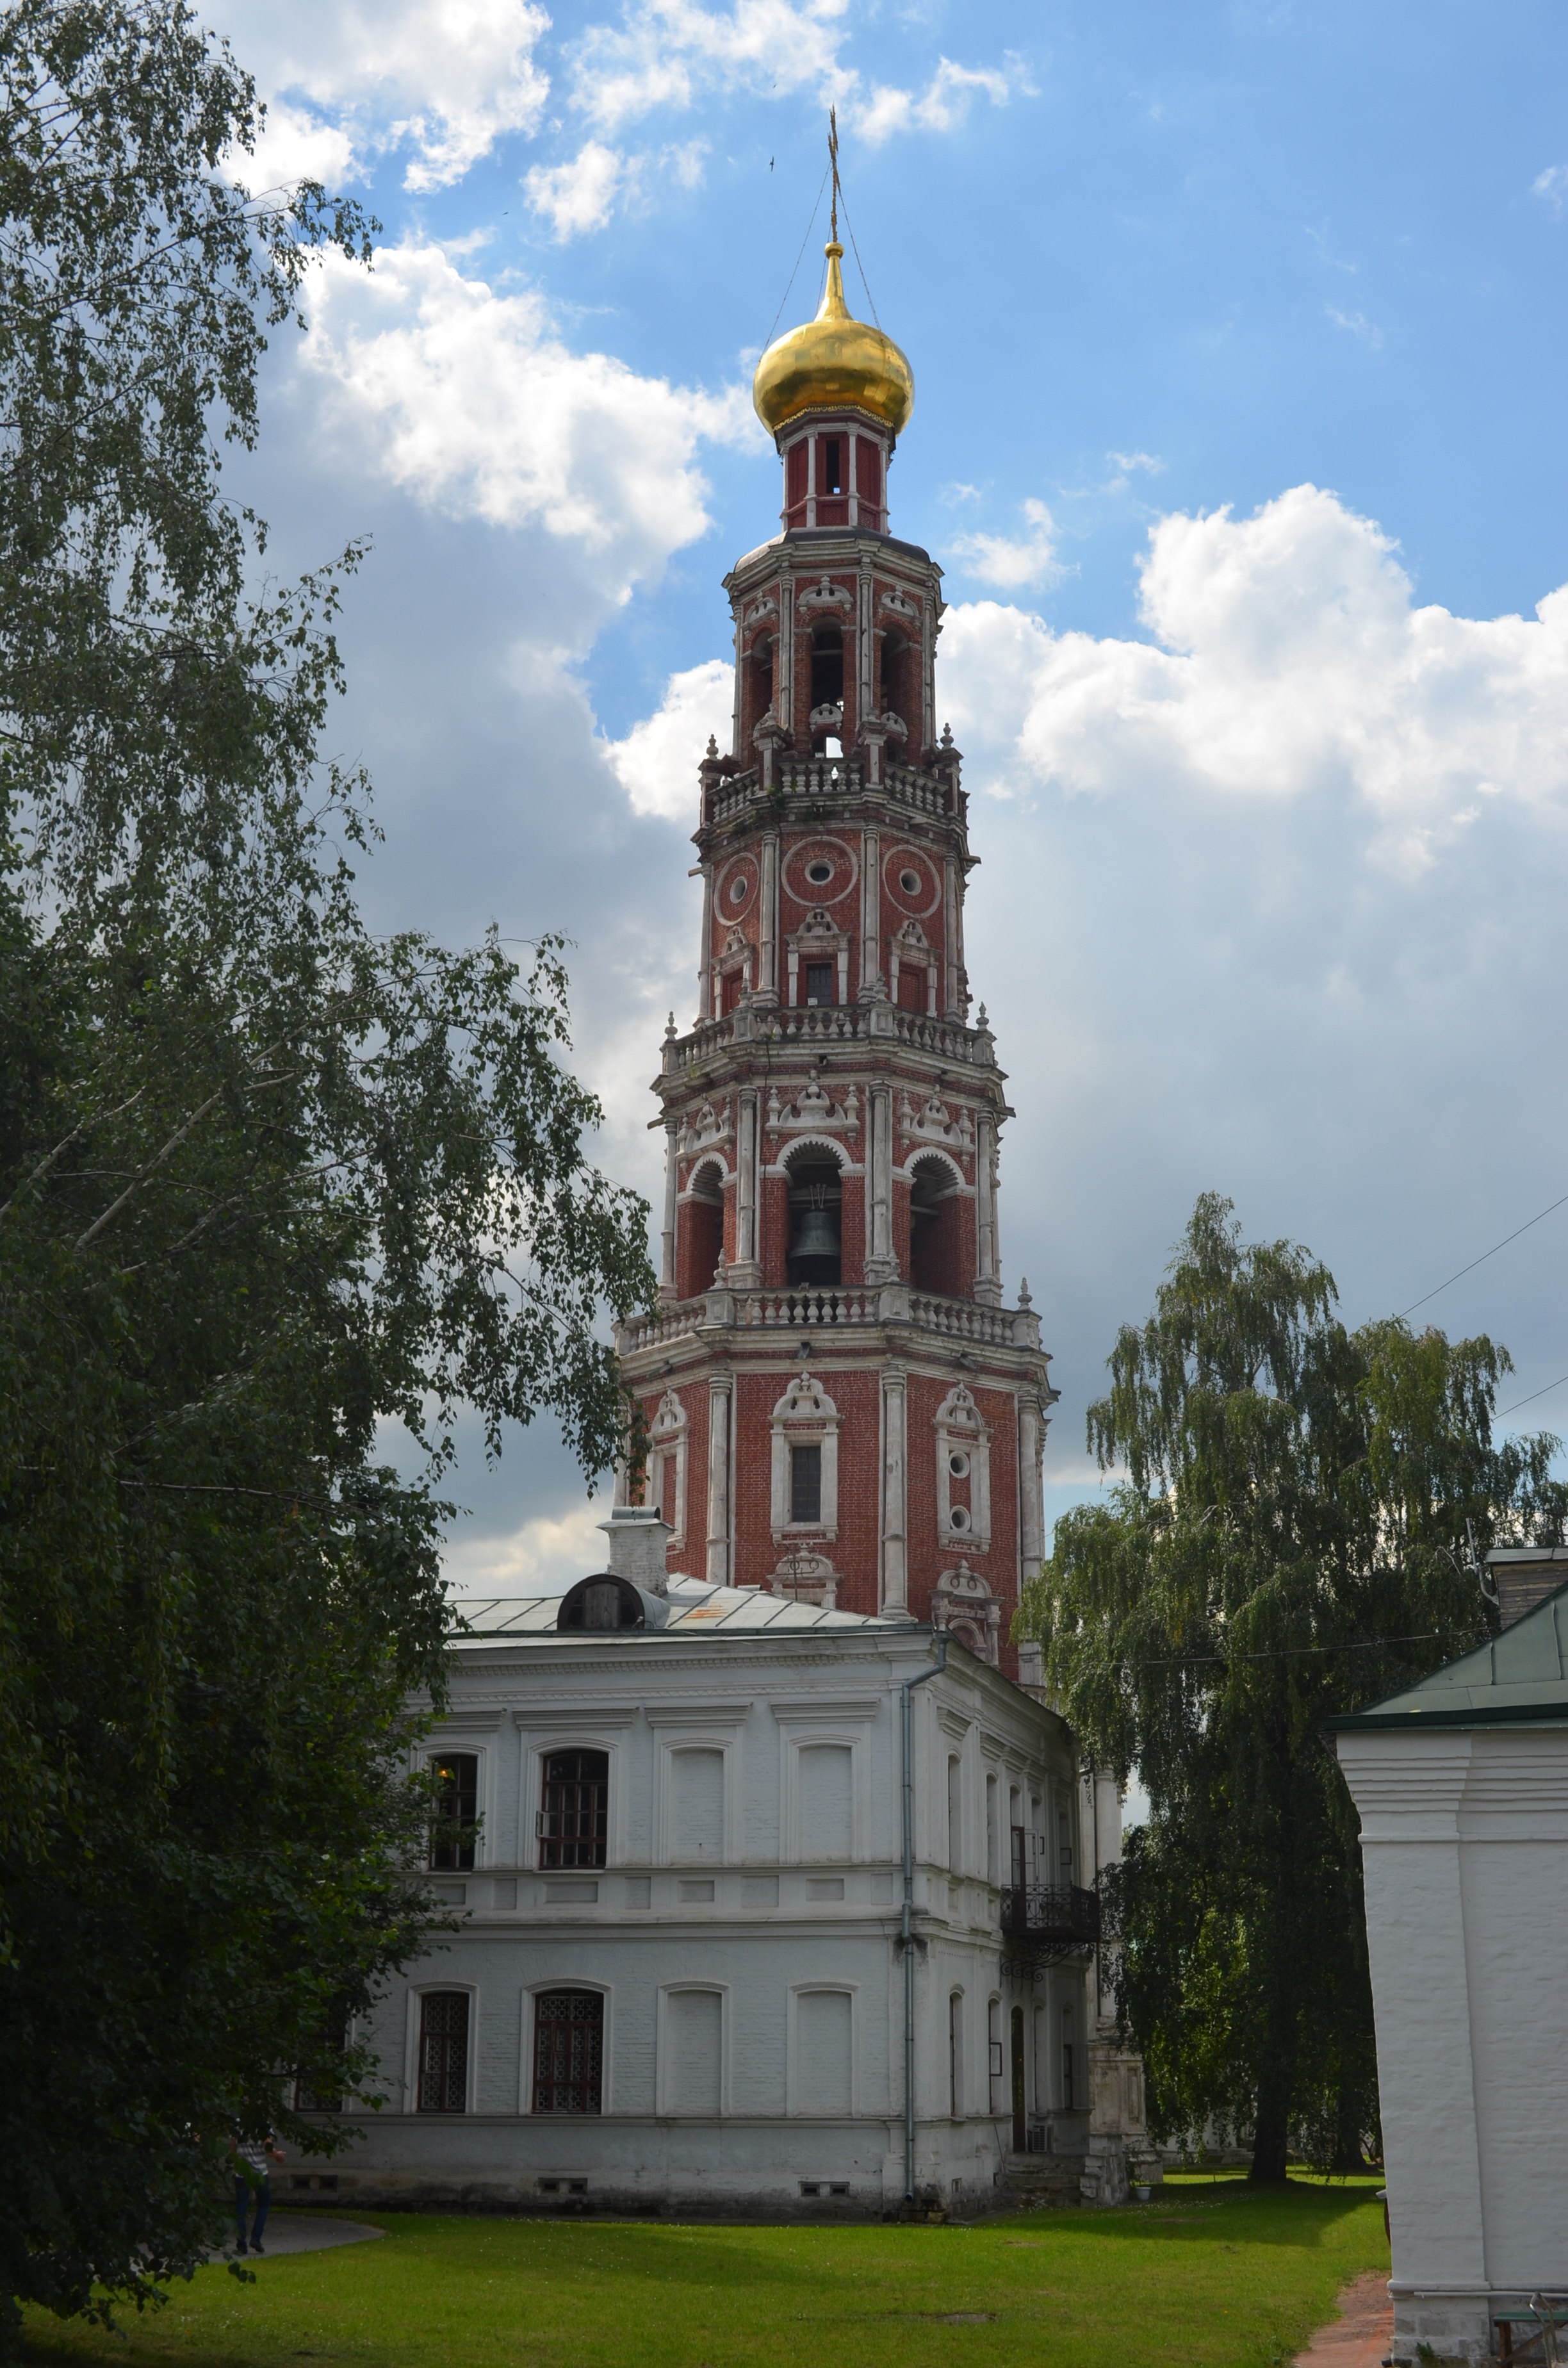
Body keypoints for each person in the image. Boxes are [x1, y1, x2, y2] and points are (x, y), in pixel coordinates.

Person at [231, 2129, 284, 2255]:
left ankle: (241, 2243)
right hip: (260, 2173)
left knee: (241, 2207)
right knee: (264, 2205)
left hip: (241, 2173)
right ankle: (256, 2238)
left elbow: (232, 2149)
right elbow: (269, 2149)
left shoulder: (236, 2125)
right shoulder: (262, 2124)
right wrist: (279, 2155)